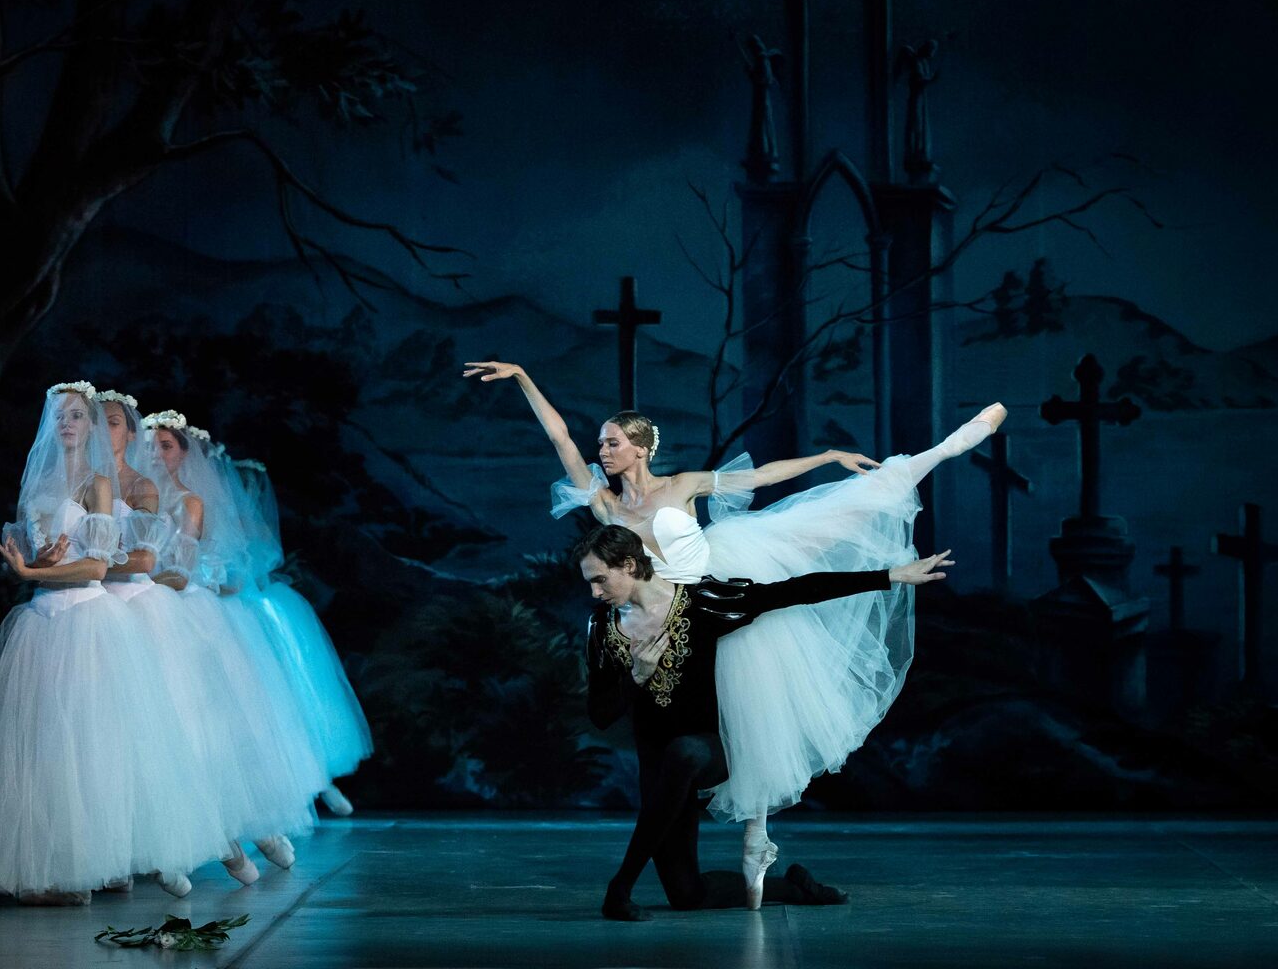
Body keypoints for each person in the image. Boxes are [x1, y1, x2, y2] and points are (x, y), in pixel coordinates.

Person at [465, 359, 1002, 904]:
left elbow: (761, 476)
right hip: (656, 611)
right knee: (682, 782)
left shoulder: (682, 485)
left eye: (612, 443)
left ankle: (939, 452)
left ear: (640, 448)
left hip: (710, 592)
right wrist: (524, 378)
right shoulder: (605, 504)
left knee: (822, 534)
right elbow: (559, 438)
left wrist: (827, 457)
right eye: (600, 444)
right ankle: (736, 853)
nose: (601, 451)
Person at [576, 524, 954, 920]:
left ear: (629, 565)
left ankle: (619, 889)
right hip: (658, 763)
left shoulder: (700, 602)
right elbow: (600, 714)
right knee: (687, 895)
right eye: (590, 583)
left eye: (600, 580)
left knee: (684, 752)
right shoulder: (601, 627)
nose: (595, 592)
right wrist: (636, 677)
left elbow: (794, 590)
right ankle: (793, 887)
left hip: (710, 749)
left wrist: (890, 575)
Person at [0, 381, 147, 905]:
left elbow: (97, 567)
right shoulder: (36, 486)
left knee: (86, 744)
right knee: (38, 747)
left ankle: (97, 859)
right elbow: (33, 563)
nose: (67, 424)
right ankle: (52, 867)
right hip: (40, 620)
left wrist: (33, 572)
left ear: (91, 425)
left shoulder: (98, 484)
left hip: (84, 620)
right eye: (60, 416)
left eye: (77, 415)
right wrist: (33, 566)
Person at [140, 408, 328, 885]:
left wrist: (143, 577)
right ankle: (206, 843)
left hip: (187, 614)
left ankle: (253, 830)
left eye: (166, 446)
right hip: (147, 611)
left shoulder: (190, 502)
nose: (156, 454)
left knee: (212, 729)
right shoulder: (134, 497)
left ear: (185, 454)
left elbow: (185, 567)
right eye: (151, 445)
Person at [220, 451, 373, 816]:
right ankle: (295, 785)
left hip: (255, 612)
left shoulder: (250, 530)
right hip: (239, 611)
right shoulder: (222, 523)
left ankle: (317, 781)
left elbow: (252, 571)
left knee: (292, 700)